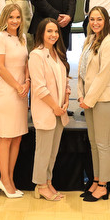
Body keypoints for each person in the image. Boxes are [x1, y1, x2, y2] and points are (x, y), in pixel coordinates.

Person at [78, 6, 110, 202]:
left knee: (103, 144)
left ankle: (103, 185)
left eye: (99, 19)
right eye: (92, 19)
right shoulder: (89, 40)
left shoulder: (109, 42)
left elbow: (104, 75)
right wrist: (80, 96)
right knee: (94, 144)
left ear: (106, 21)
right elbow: (82, 71)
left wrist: (88, 99)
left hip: (104, 99)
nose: (95, 22)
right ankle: (95, 180)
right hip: (88, 99)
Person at [28, 18, 71, 201]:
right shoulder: (36, 55)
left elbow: (65, 81)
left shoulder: (58, 52)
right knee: (43, 151)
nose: (53, 35)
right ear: (41, 34)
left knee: (52, 152)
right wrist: (55, 107)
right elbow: (39, 88)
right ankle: (40, 185)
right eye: (49, 31)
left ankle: (48, 181)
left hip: (59, 112)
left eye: (55, 31)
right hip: (48, 111)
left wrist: (66, 101)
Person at [0, 4, 30, 198]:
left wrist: (27, 83)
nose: (14, 21)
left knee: (17, 137)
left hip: (22, 93)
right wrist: (18, 86)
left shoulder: (22, 38)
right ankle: (4, 180)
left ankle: (10, 179)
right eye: (11, 17)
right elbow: (0, 67)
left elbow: (26, 64)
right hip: (7, 93)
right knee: (5, 137)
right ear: (4, 18)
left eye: (17, 17)